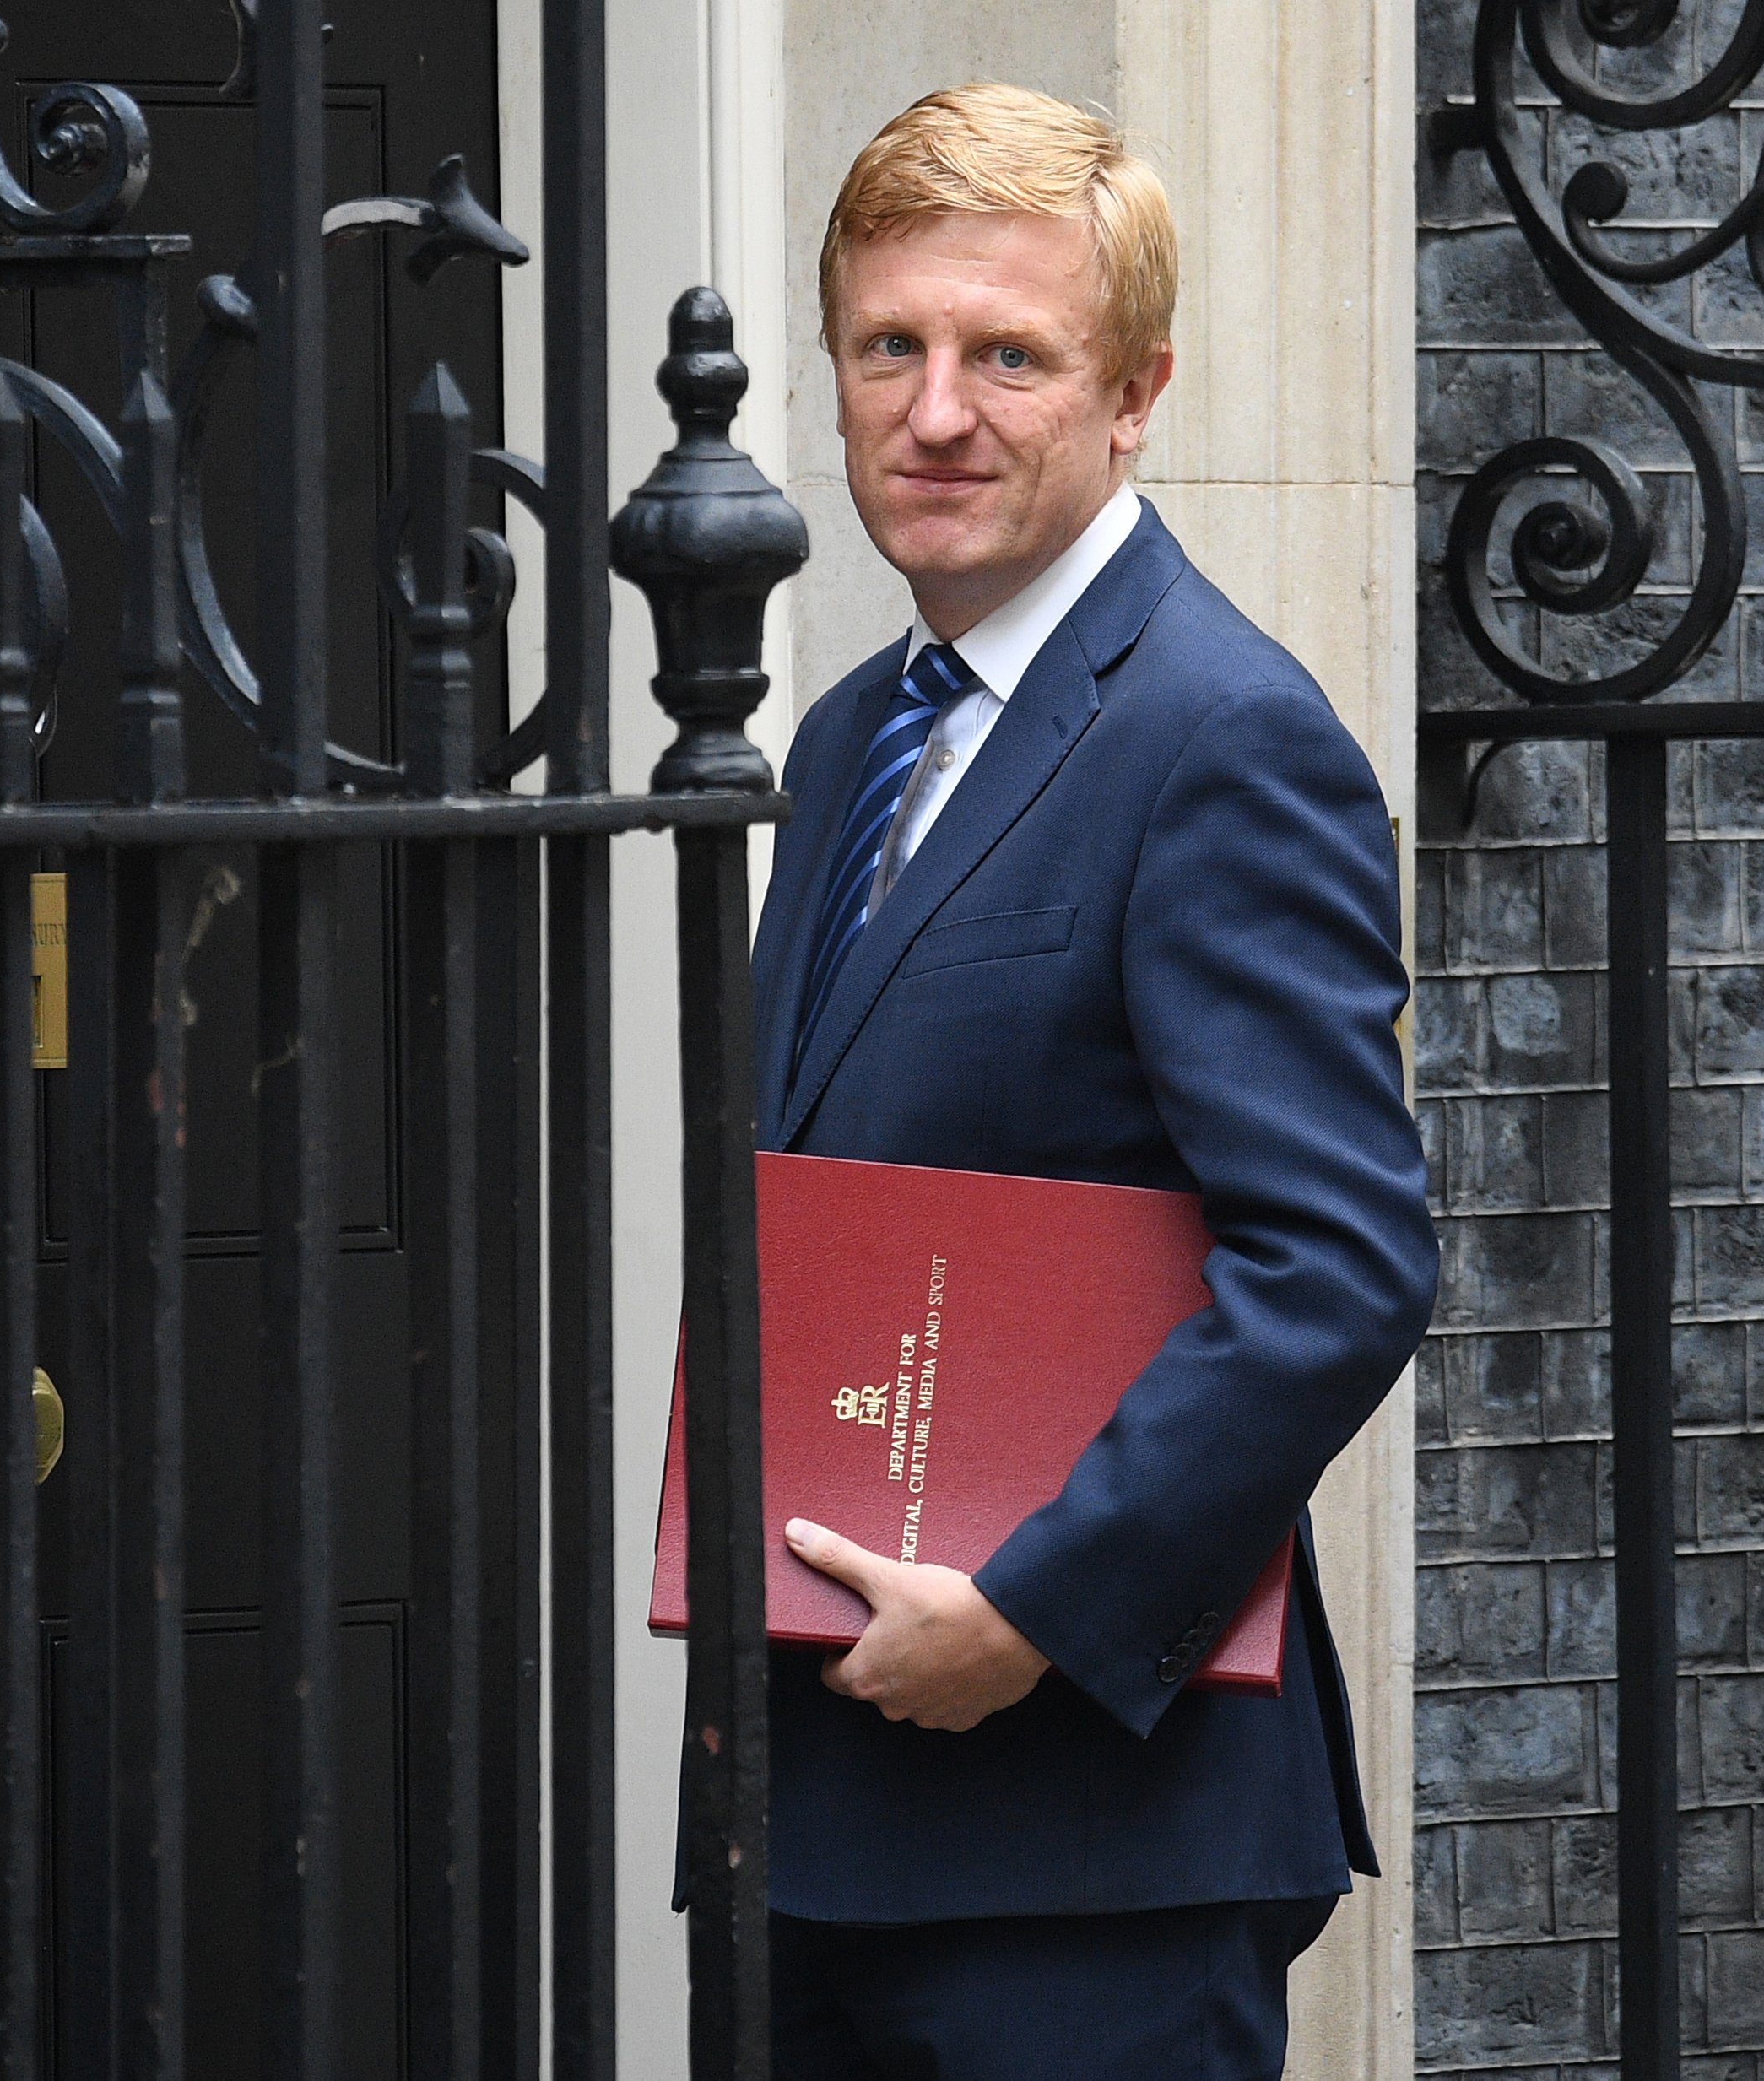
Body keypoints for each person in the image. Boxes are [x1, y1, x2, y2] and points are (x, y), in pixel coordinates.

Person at [745, 83, 1437, 2079]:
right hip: (822, 1823)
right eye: (893, 346)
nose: (936, 411)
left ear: (1132, 394)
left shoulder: (1225, 735)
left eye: (1008, 356)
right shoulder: (852, 731)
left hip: (1088, 1853)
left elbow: (1338, 1263)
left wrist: (1038, 1611)